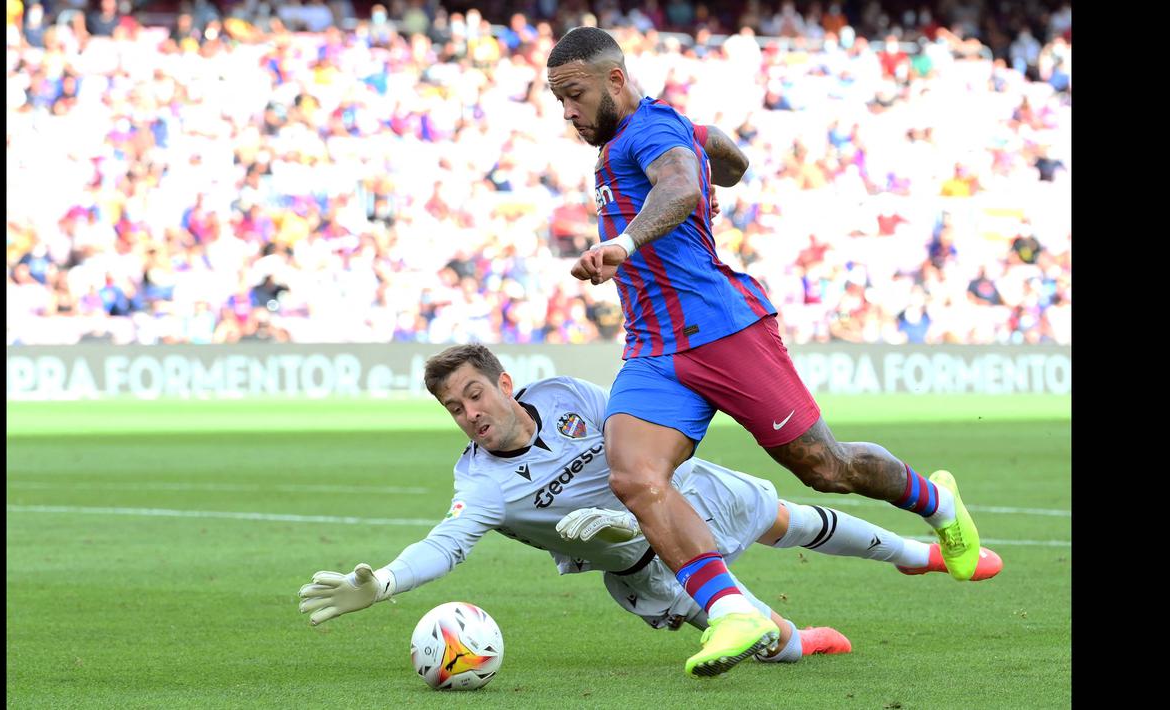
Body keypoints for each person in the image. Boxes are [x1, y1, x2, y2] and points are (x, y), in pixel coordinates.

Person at [546, 27, 983, 676]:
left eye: (574, 95)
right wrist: (718, 164)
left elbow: (681, 187)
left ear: (615, 80)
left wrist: (625, 243)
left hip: (723, 333)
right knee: (634, 476)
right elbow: (725, 155)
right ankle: (732, 612)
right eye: (559, 99)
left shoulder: (650, 130)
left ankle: (937, 502)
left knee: (825, 468)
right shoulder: (657, 131)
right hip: (654, 348)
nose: (567, 111)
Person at [297, 346, 1001, 675]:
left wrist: (654, 487)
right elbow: (445, 544)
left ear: (504, 383)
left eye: (475, 394)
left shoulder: (567, 396)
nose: (469, 413)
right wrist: (384, 581)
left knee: (789, 520)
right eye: (454, 408)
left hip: (681, 491)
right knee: (770, 644)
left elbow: (639, 432)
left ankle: (919, 555)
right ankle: (803, 639)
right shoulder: (481, 484)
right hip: (644, 568)